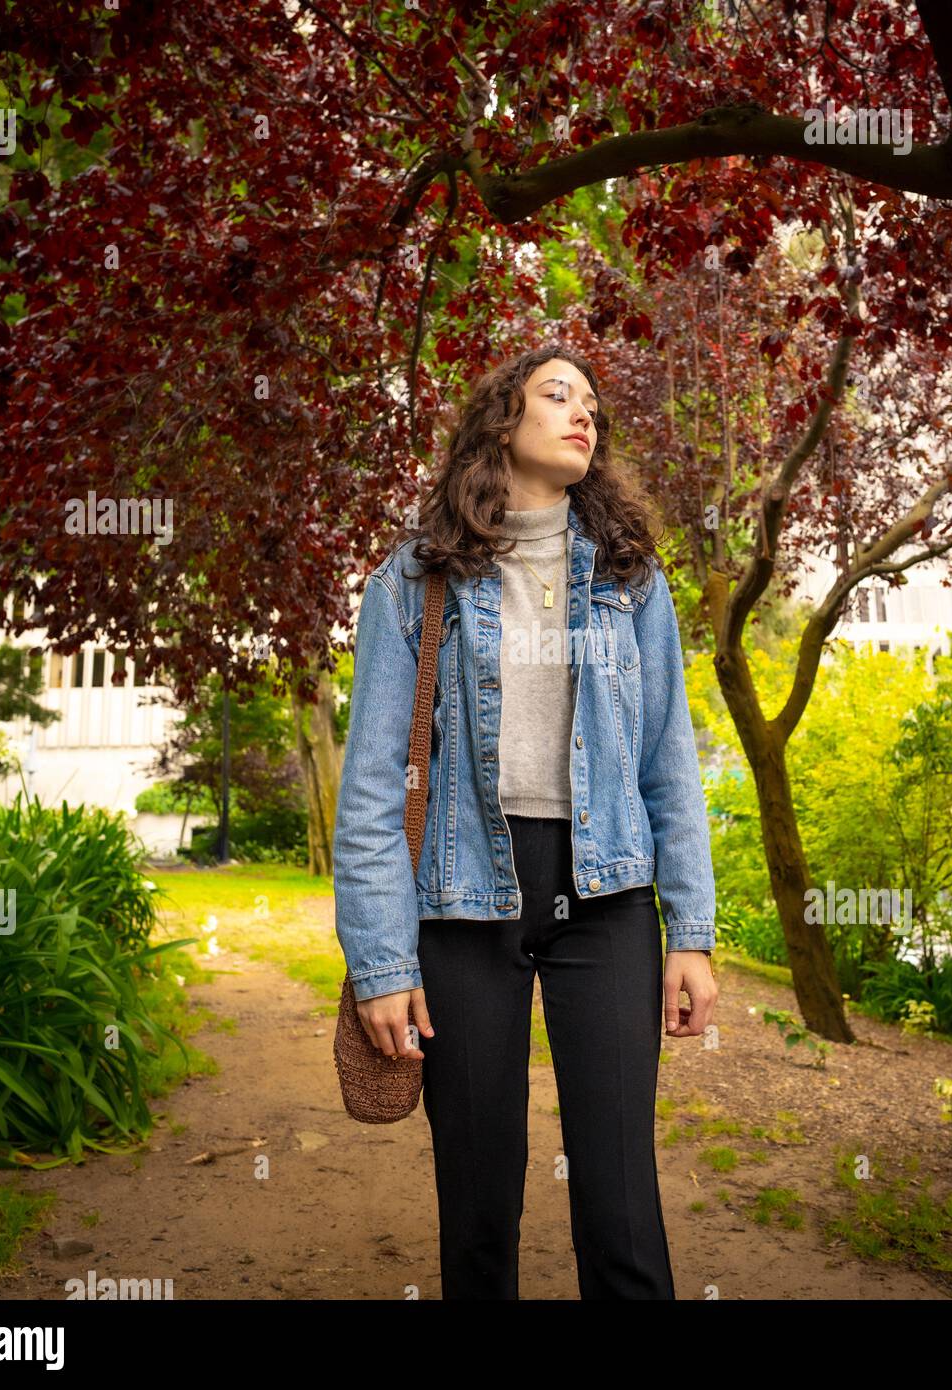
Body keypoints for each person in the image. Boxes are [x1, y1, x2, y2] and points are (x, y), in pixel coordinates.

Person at [333, 343, 718, 1300]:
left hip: (609, 892)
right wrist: (383, 964)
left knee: (625, 1203)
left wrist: (693, 934)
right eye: (558, 394)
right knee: (477, 1202)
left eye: (593, 402)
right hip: (464, 900)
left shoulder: (632, 580)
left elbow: (670, 761)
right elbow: (375, 788)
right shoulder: (413, 581)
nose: (584, 412)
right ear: (502, 421)